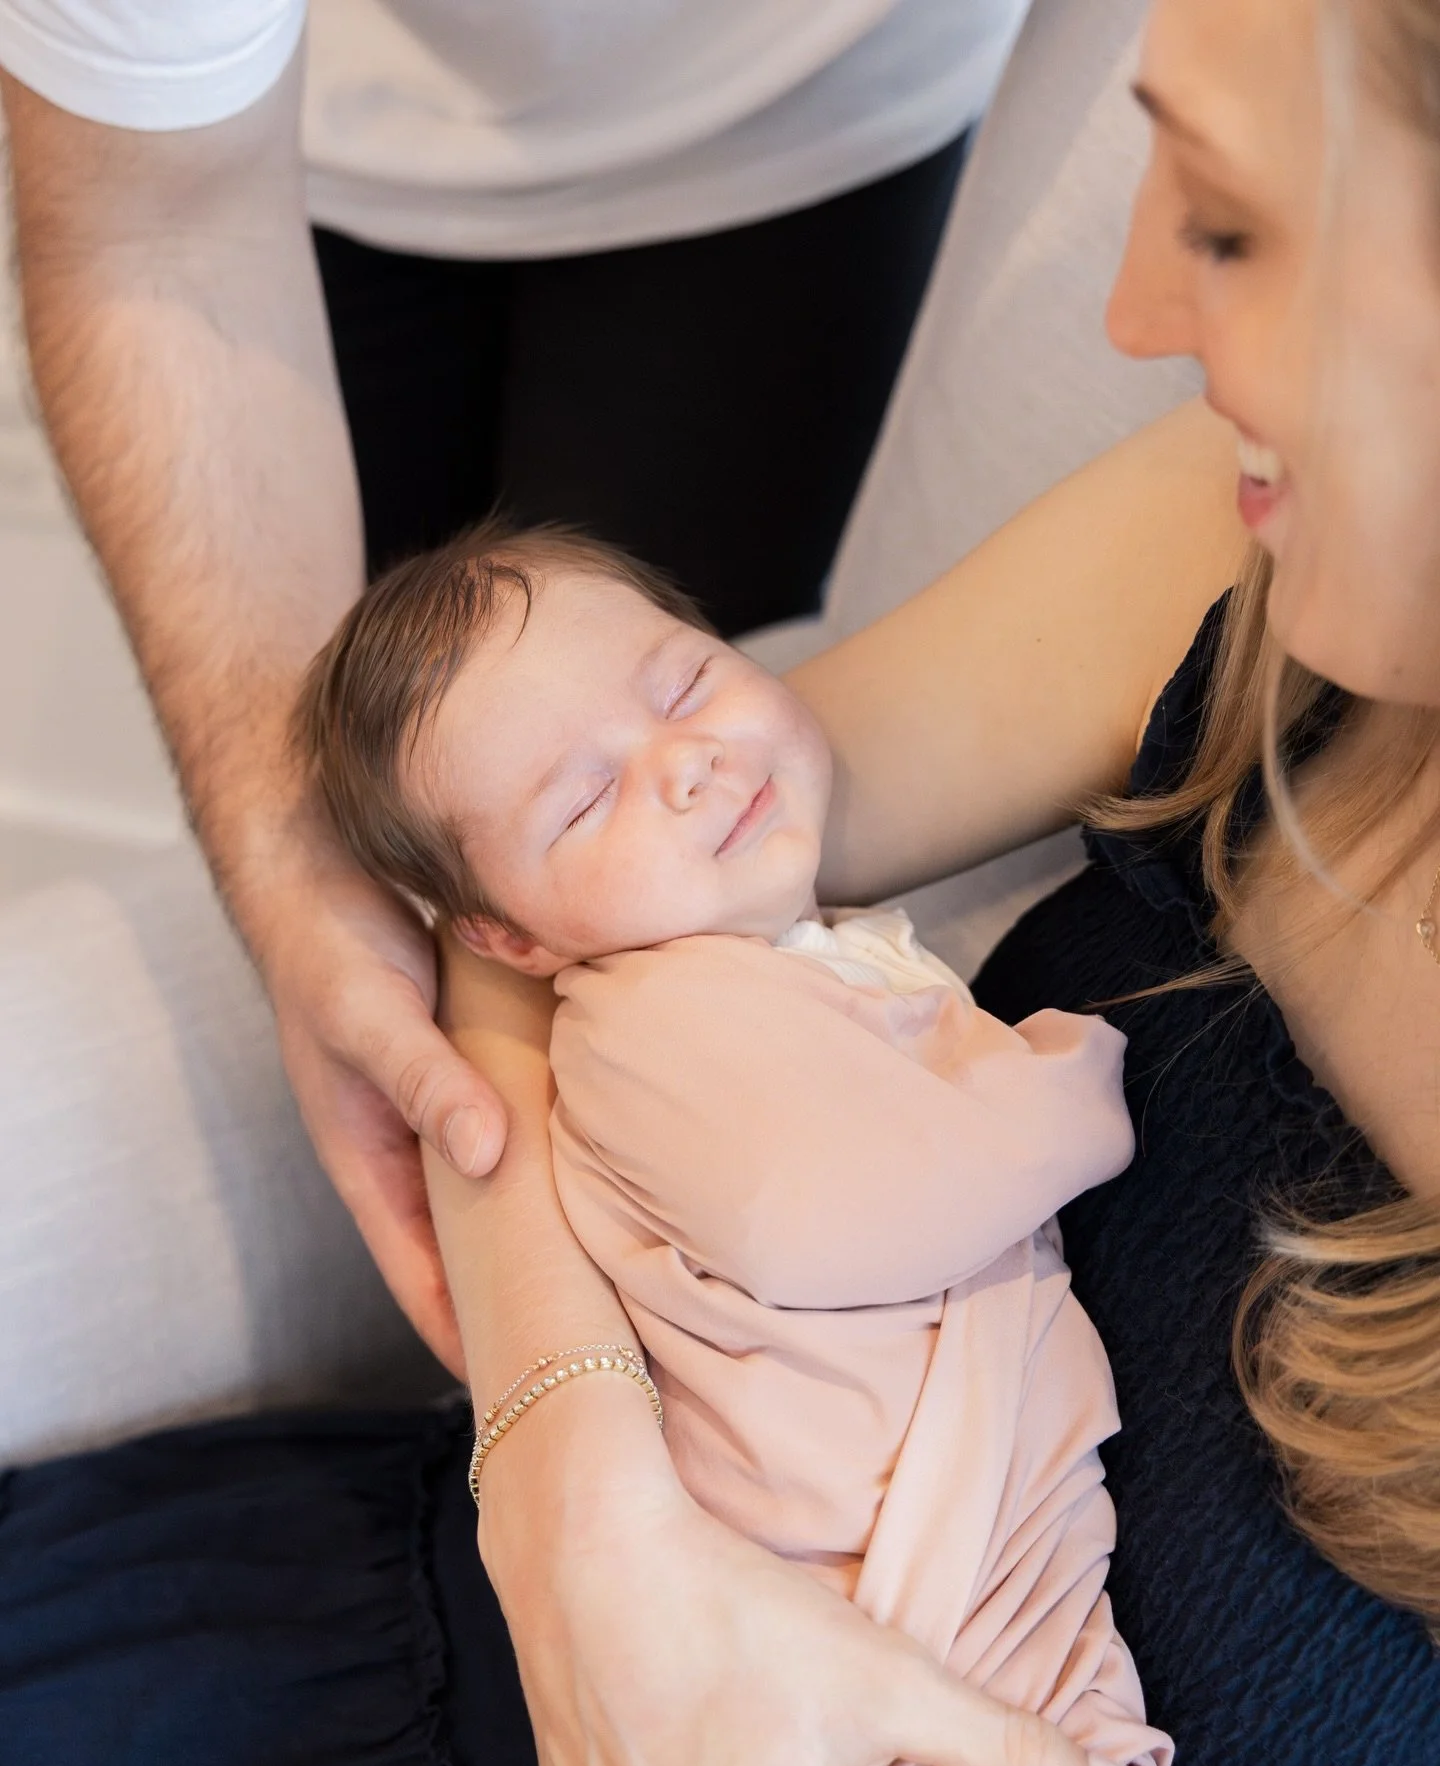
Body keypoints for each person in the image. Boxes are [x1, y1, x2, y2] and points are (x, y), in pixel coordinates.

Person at [2, 0, 1439, 1766]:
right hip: (413, 1698)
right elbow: (547, 924)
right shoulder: (1240, 546)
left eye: (1237, 227)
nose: (1132, 320)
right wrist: (573, 1499)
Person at [0, 0, 1020, 1383]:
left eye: (681, 683)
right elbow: (157, 240)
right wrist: (294, 878)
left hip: (791, 130)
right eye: (595, 781)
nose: (691, 763)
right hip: (309, 158)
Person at [294, 517, 1202, 1766]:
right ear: (514, 941)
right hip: (880, 1635)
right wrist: (1078, 1081)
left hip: (959, 1628)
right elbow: (834, 1211)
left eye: (682, 683)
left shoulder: (754, 964)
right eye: (585, 804)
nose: (688, 763)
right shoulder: (654, 1022)